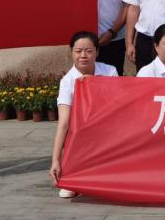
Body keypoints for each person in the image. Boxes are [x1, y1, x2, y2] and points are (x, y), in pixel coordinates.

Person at [49, 32, 118, 199]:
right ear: (71, 52)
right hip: (81, 137)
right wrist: (56, 160)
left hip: (107, 132)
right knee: (68, 192)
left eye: (89, 51)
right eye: (78, 51)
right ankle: (76, 175)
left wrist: (94, 84)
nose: (83, 56)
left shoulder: (110, 71)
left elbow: (116, 106)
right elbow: (64, 123)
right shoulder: (67, 81)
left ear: (97, 52)